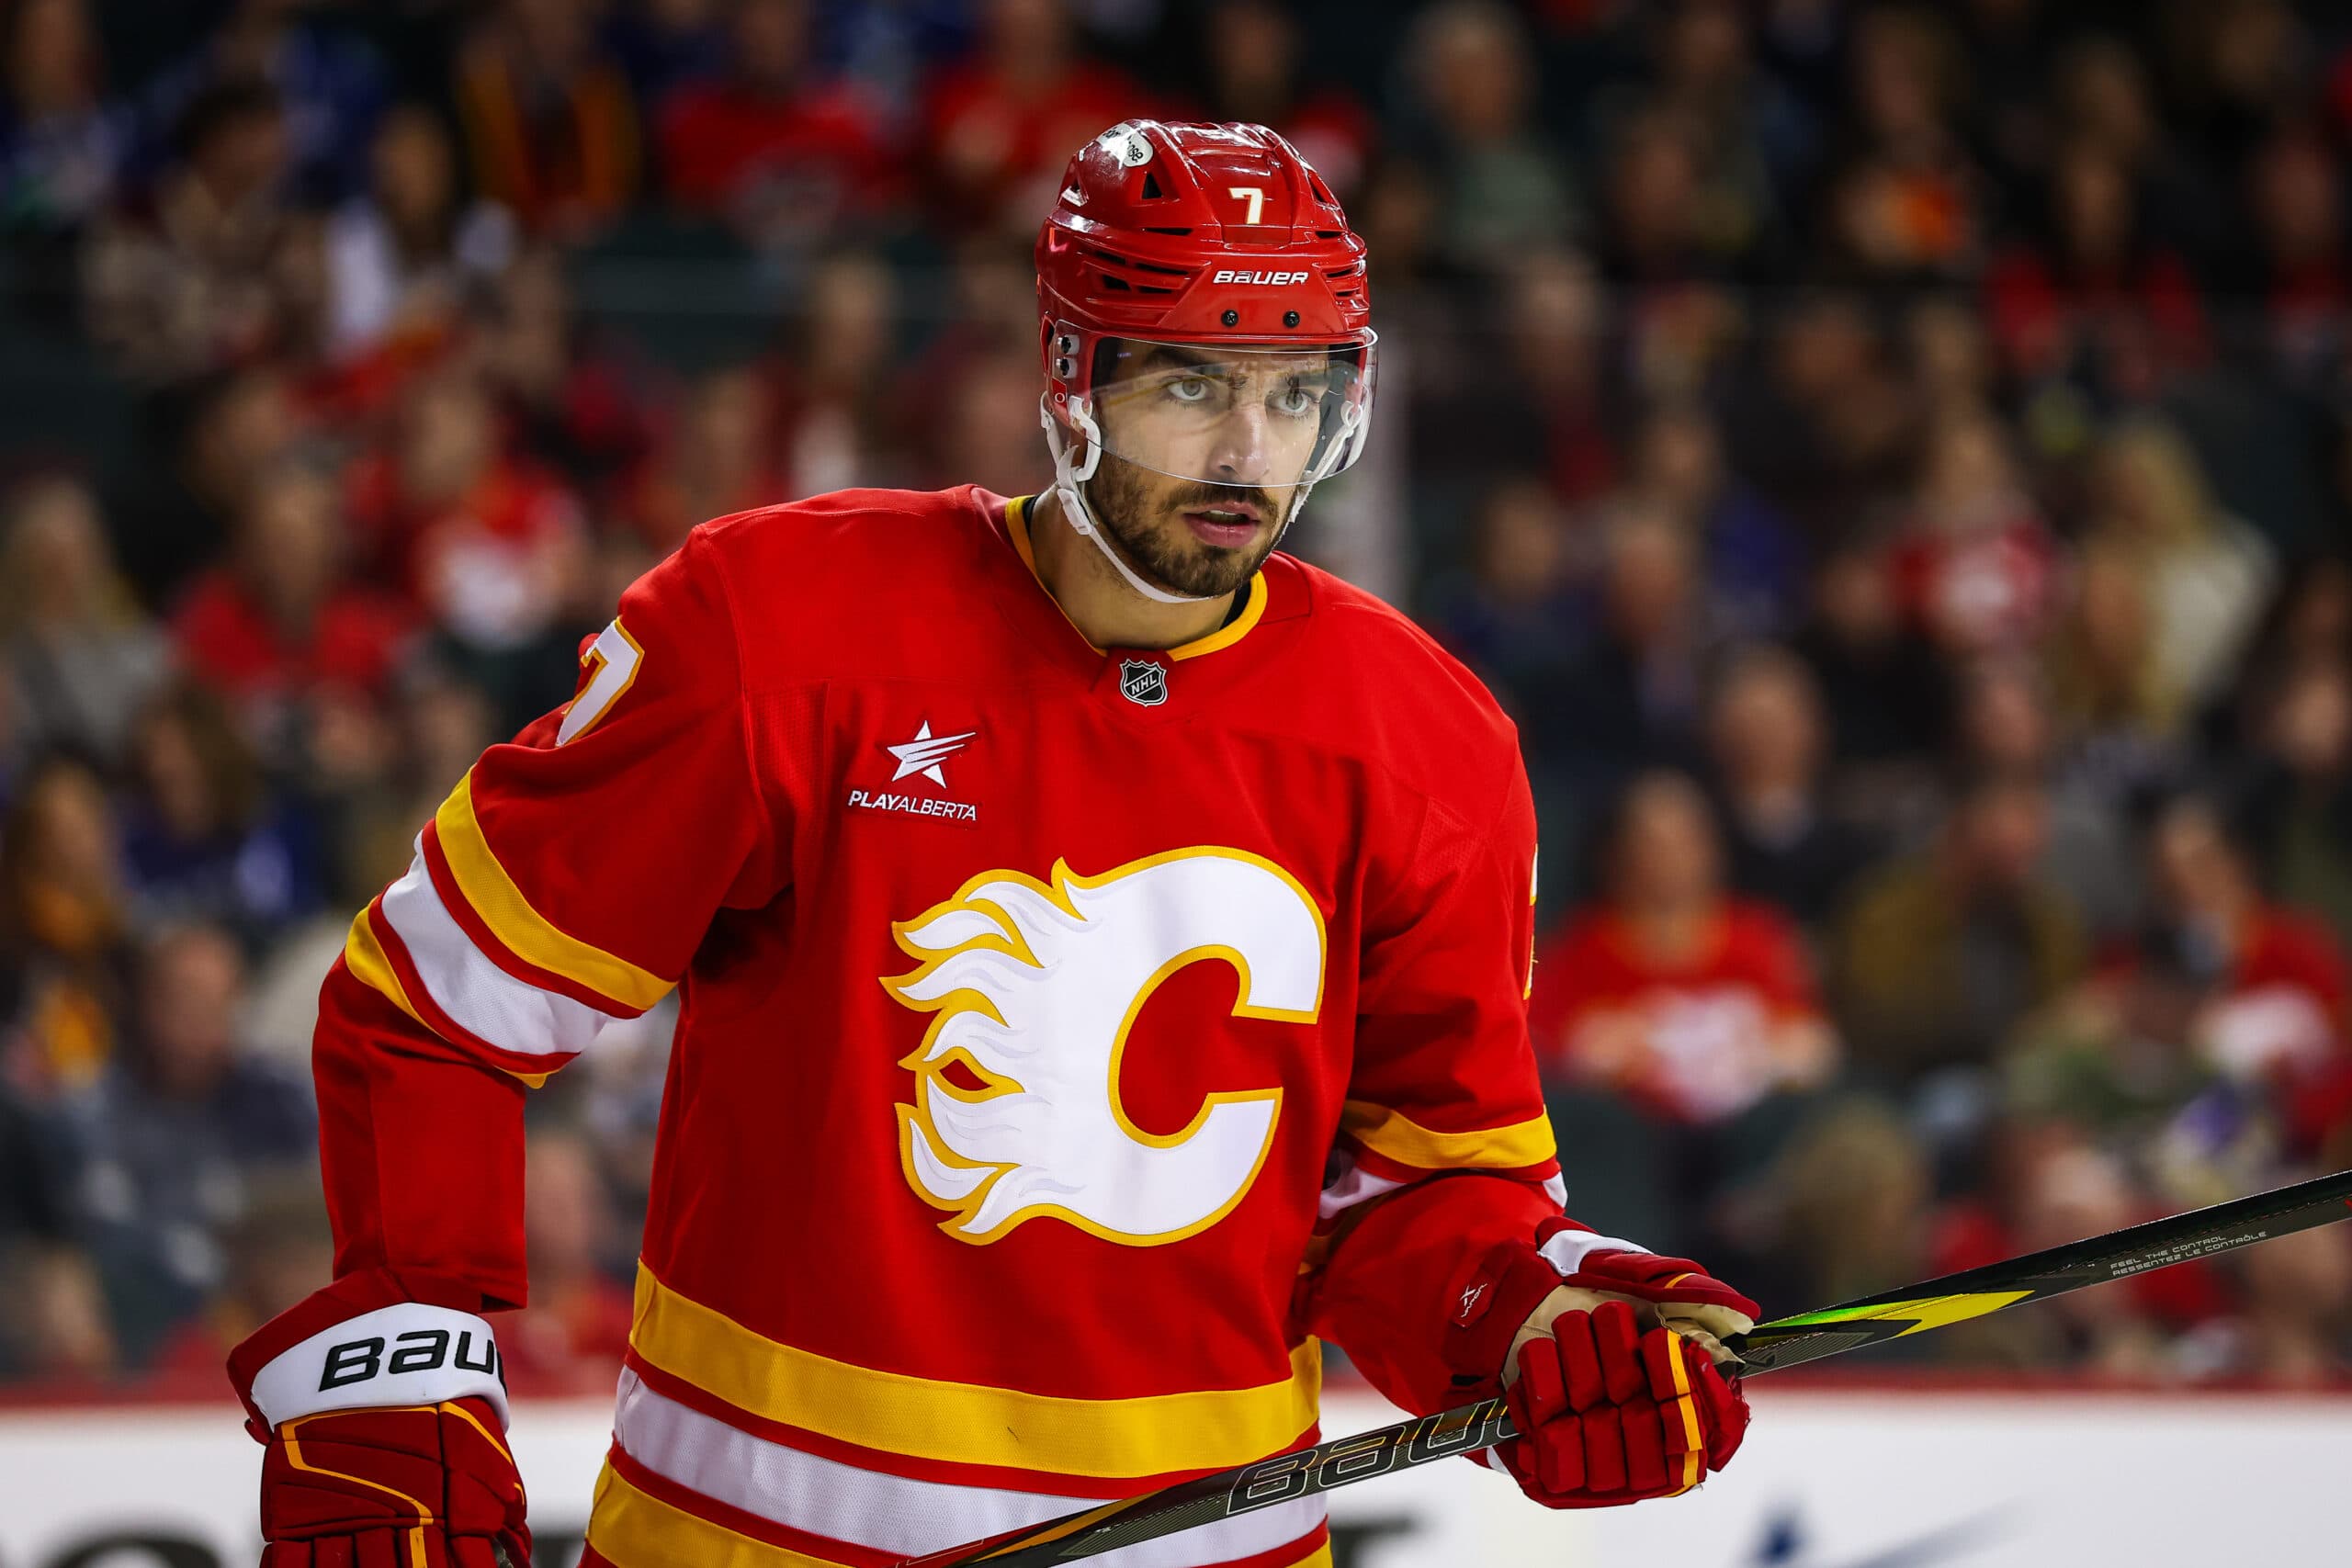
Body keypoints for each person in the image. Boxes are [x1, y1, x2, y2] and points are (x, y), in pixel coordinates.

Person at [223, 121, 1758, 1568]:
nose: (1249, 455)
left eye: (1296, 393)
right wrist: (402, 1360)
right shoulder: (781, 632)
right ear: (1071, 376)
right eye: (1192, 384)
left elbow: (1419, 1195)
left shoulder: (1430, 747)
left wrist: (1535, 1318)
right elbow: (434, 1008)